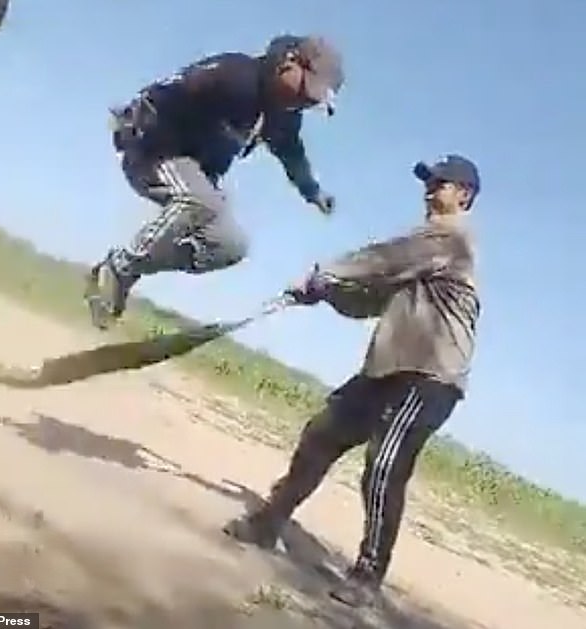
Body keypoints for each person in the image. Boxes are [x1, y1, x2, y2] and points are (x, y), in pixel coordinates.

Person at [223, 154, 482, 609]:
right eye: (429, 181)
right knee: (321, 436)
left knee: (383, 465)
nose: (430, 188)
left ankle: (367, 574)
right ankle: (269, 523)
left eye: (442, 182)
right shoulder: (426, 253)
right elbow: (367, 300)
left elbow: (382, 259)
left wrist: (327, 271)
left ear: (464, 195)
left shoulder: (451, 240)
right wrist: (323, 292)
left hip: (429, 378)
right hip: (387, 370)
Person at [85, 34, 344, 330]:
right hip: (152, 147)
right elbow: (175, 87)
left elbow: (293, 156)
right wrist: (134, 120)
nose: (301, 103)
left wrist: (314, 192)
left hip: (195, 173)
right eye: (303, 91)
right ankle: (118, 270)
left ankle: (126, 270)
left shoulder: (283, 119)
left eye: (309, 103)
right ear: (288, 63)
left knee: (230, 245)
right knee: (202, 201)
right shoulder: (235, 74)